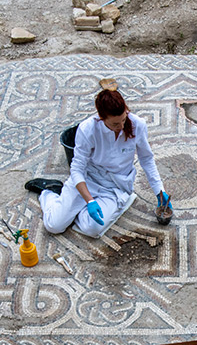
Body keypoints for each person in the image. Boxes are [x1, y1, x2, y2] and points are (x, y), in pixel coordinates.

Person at [25, 89, 171, 238]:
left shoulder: (138, 124)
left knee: (93, 228)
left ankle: (70, 208)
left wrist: (159, 191)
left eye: (123, 119)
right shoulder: (87, 129)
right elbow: (76, 168)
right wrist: (89, 200)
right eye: (115, 123)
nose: (121, 126)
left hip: (115, 185)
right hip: (89, 179)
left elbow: (146, 159)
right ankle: (50, 192)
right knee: (54, 226)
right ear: (101, 117)